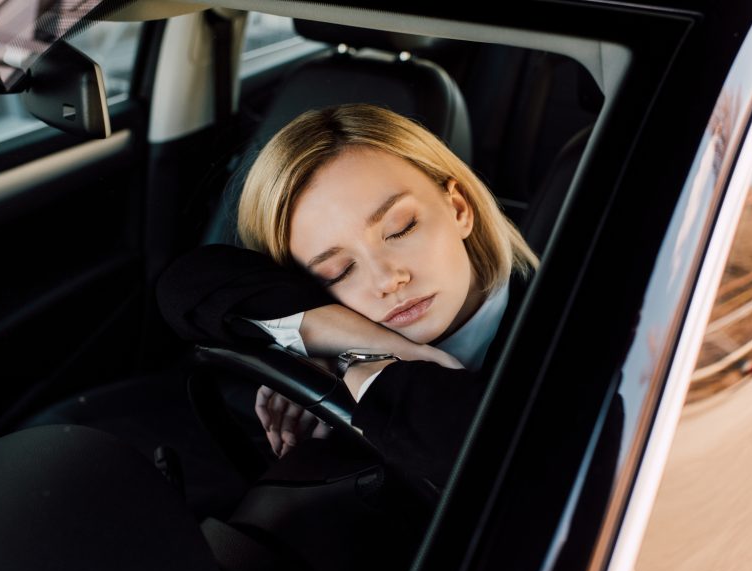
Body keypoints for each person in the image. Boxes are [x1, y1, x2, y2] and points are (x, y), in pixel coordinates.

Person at [156, 102, 538, 493]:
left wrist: (364, 373)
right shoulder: (335, 323)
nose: (388, 279)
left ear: (458, 208)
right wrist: (356, 346)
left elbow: (497, 463)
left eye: (401, 229)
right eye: (338, 271)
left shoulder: (565, 320)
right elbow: (185, 286)